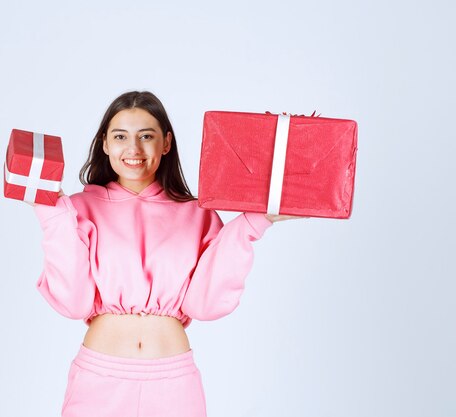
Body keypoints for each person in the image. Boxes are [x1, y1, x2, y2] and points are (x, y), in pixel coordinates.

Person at [30, 91, 295, 417]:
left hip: (173, 384)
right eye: (120, 136)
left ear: (166, 143)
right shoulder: (78, 208)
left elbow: (205, 304)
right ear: (105, 144)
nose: (134, 149)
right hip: (99, 380)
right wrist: (51, 211)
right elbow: (73, 302)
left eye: (147, 136)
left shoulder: (197, 213)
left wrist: (255, 221)